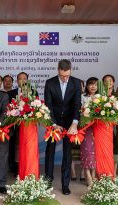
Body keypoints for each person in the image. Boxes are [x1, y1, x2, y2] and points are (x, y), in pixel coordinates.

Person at [44, 59, 81, 195]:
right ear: (58, 71)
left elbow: (77, 104)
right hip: (54, 122)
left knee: (67, 153)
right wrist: (53, 124)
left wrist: (75, 123)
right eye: (62, 76)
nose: (65, 78)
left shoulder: (76, 82)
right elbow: (48, 105)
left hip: (70, 122)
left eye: (67, 76)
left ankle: (65, 184)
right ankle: (48, 182)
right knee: (50, 152)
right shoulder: (50, 83)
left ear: (70, 71)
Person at [7, 72, 38, 175]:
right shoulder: (11, 93)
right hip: (15, 125)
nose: (22, 81)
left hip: (29, 126)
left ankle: (29, 168)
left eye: (24, 78)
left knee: (28, 147)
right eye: (20, 79)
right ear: (17, 81)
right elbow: (8, 108)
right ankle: (16, 168)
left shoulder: (34, 92)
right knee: (16, 147)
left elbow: (36, 109)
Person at [80, 77, 98, 186]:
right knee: (87, 150)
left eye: (95, 85)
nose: (93, 86)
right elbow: (79, 111)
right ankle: (87, 174)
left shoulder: (100, 98)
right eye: (91, 84)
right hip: (86, 127)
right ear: (87, 86)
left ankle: (94, 174)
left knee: (96, 151)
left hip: (98, 129)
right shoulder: (82, 97)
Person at [103, 74, 118, 176]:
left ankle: (113, 174)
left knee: (115, 151)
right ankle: (103, 173)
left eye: (110, 80)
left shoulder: (117, 95)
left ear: (113, 82)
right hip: (101, 129)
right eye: (105, 80)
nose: (108, 82)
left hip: (114, 128)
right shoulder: (99, 96)